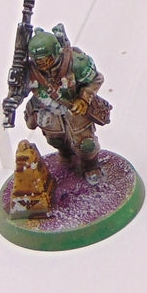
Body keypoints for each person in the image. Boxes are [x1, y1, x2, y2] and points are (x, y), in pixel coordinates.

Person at [21, 27, 111, 183]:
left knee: (86, 144)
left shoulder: (75, 63)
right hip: (49, 112)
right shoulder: (30, 70)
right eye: (38, 60)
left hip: (75, 110)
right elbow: (21, 91)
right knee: (55, 140)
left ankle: (90, 166)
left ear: (56, 51)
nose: (42, 64)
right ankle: (66, 156)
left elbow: (96, 79)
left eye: (46, 59)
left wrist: (84, 98)